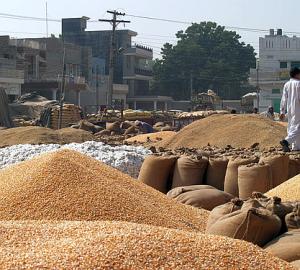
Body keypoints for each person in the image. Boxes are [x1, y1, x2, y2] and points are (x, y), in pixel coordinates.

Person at [280, 67, 300, 152]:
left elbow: (283, 99)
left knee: (292, 127)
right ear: (297, 74)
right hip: (298, 108)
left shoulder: (287, 84)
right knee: (298, 127)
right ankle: (286, 141)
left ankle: (295, 147)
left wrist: (282, 111)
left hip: (290, 109)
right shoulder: (299, 83)